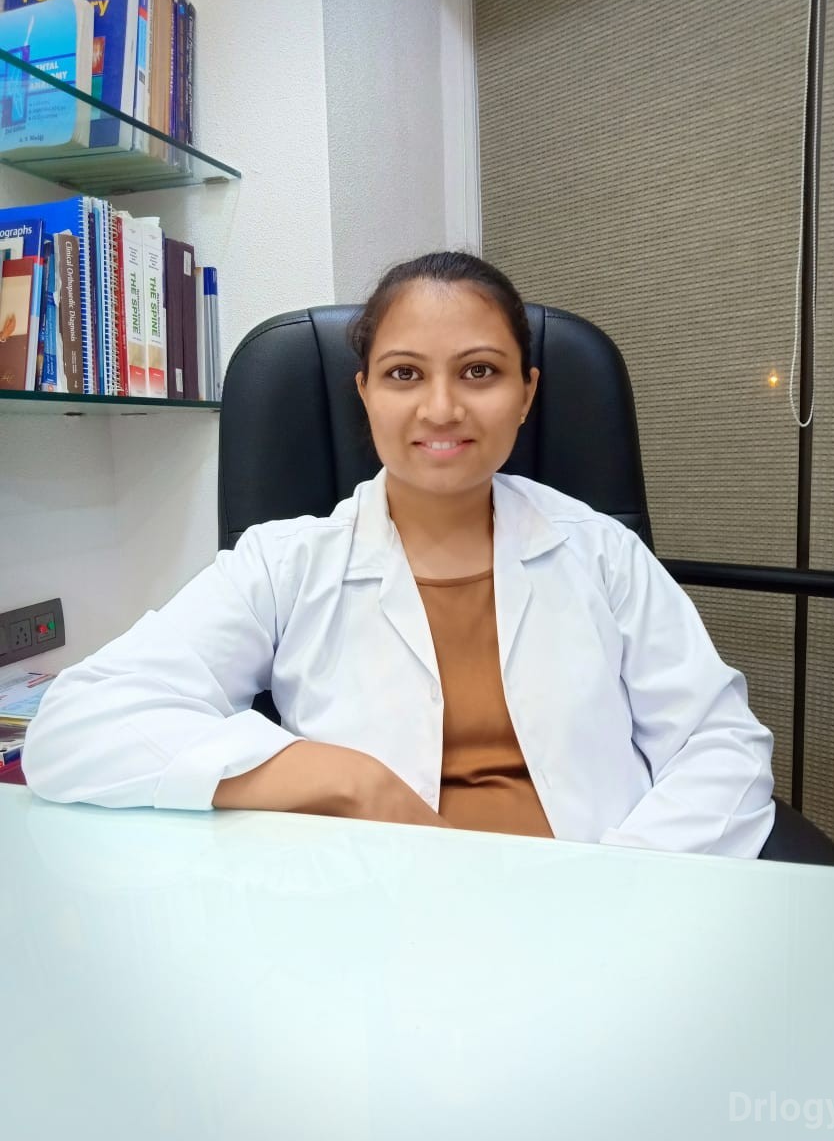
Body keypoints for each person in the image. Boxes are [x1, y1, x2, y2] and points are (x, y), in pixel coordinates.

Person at [23, 252, 775, 855]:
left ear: (526, 393)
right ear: (365, 393)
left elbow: (722, 747)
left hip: (601, 905)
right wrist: (347, 780)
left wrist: (628, 879)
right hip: (377, 918)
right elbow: (73, 728)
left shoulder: (602, 552)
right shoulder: (285, 565)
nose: (441, 408)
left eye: (479, 371)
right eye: (404, 374)